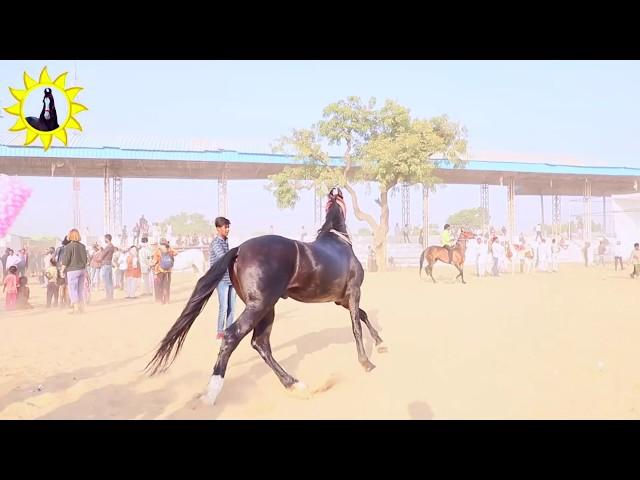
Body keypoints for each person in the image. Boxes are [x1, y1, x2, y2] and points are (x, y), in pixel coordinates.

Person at [209, 217, 236, 339]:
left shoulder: (225, 242)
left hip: (230, 278)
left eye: (228, 227)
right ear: (218, 228)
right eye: (225, 227)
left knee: (232, 307)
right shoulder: (216, 243)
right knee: (224, 307)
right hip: (221, 279)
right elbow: (223, 257)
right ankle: (220, 331)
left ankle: (229, 330)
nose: (227, 229)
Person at [59, 229, 88, 314]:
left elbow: (66, 260)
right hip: (82, 270)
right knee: (80, 289)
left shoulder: (69, 247)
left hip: (72, 270)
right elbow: (85, 260)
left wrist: (62, 270)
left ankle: (76, 308)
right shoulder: (82, 246)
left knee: (73, 289)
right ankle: (81, 307)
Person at [152, 239, 177, 304]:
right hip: (168, 271)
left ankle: (159, 300)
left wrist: (151, 265)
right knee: (166, 286)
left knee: (158, 286)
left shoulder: (157, 251)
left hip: (159, 271)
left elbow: (154, 261)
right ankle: (167, 300)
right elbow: (176, 253)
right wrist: (170, 247)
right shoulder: (169, 251)